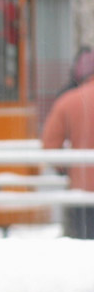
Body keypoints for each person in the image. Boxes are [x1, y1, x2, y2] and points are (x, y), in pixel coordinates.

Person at [42, 49, 94, 239]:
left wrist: (65, 168)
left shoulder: (69, 101)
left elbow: (50, 144)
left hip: (83, 189)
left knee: (85, 248)